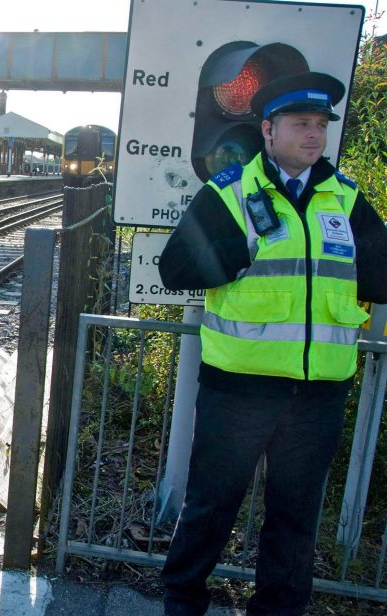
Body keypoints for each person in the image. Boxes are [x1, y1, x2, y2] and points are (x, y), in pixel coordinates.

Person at [158, 71, 387, 616]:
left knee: (296, 516)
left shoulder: (346, 199)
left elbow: (382, 279)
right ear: (268, 129)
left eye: (321, 125)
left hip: (317, 396)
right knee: (210, 508)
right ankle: (183, 602)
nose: (314, 135)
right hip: (238, 390)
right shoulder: (230, 192)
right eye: (301, 124)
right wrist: (240, 248)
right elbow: (175, 268)